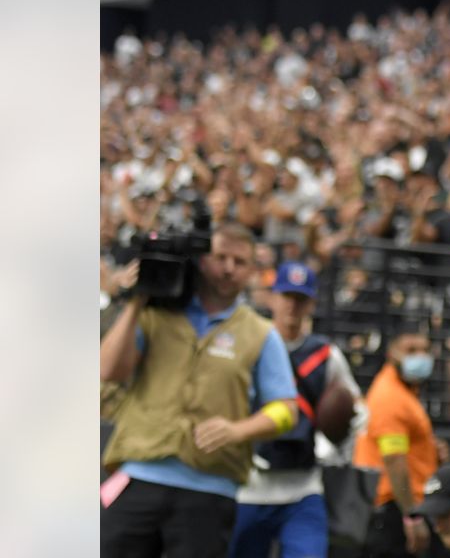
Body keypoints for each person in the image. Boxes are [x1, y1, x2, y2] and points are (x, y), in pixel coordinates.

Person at [100, 223, 300, 558]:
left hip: (210, 489)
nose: (228, 268)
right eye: (220, 257)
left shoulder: (261, 333)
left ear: (252, 271)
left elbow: (286, 411)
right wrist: (137, 301)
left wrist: (237, 430)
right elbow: (109, 371)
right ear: (201, 259)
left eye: (240, 262)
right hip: (137, 475)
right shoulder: (156, 314)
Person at [230, 262, 363, 558]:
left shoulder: (325, 354)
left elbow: (353, 407)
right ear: (272, 297)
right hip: (249, 486)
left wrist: (337, 443)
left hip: (302, 487)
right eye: (287, 296)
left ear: (311, 304)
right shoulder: (249, 346)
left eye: (300, 299)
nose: (292, 306)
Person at [354, 327, 441, 558]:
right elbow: (393, 460)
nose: (420, 356)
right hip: (394, 510)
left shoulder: (404, 391)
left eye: (424, 349)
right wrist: (412, 516)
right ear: (392, 354)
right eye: (411, 350)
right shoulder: (391, 397)